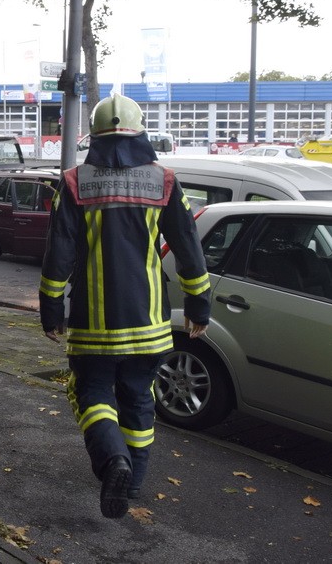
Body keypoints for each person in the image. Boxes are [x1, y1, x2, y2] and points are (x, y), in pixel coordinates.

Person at [38, 94, 211, 519]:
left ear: (93, 136)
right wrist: (198, 307)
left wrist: (51, 309)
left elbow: (59, 253)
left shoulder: (75, 181)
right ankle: (132, 481)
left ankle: (112, 459)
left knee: (90, 391)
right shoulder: (164, 180)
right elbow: (189, 249)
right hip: (149, 322)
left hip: (93, 324)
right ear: (141, 131)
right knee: (137, 397)